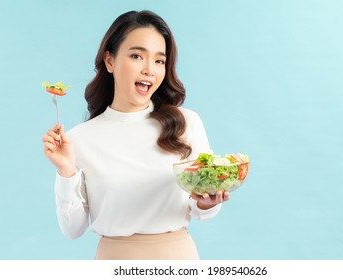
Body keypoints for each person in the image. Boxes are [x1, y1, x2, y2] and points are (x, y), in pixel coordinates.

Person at [41, 10, 230, 260]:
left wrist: (208, 203)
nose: (149, 70)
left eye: (160, 61)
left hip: (178, 260)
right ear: (110, 61)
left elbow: (202, 209)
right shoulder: (79, 140)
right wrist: (66, 172)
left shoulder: (187, 123)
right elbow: (73, 230)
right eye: (137, 56)